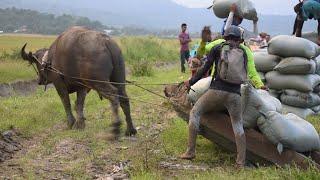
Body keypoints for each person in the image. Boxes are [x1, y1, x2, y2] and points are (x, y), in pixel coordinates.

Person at [180, 26, 266, 168]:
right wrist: (260, 85)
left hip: (217, 91)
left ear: (225, 37)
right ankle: (240, 162)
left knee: (195, 112)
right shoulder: (244, 52)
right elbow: (250, 72)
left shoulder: (218, 48)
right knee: (238, 125)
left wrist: (191, 82)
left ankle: (190, 152)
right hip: (235, 95)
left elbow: (205, 68)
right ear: (240, 39)